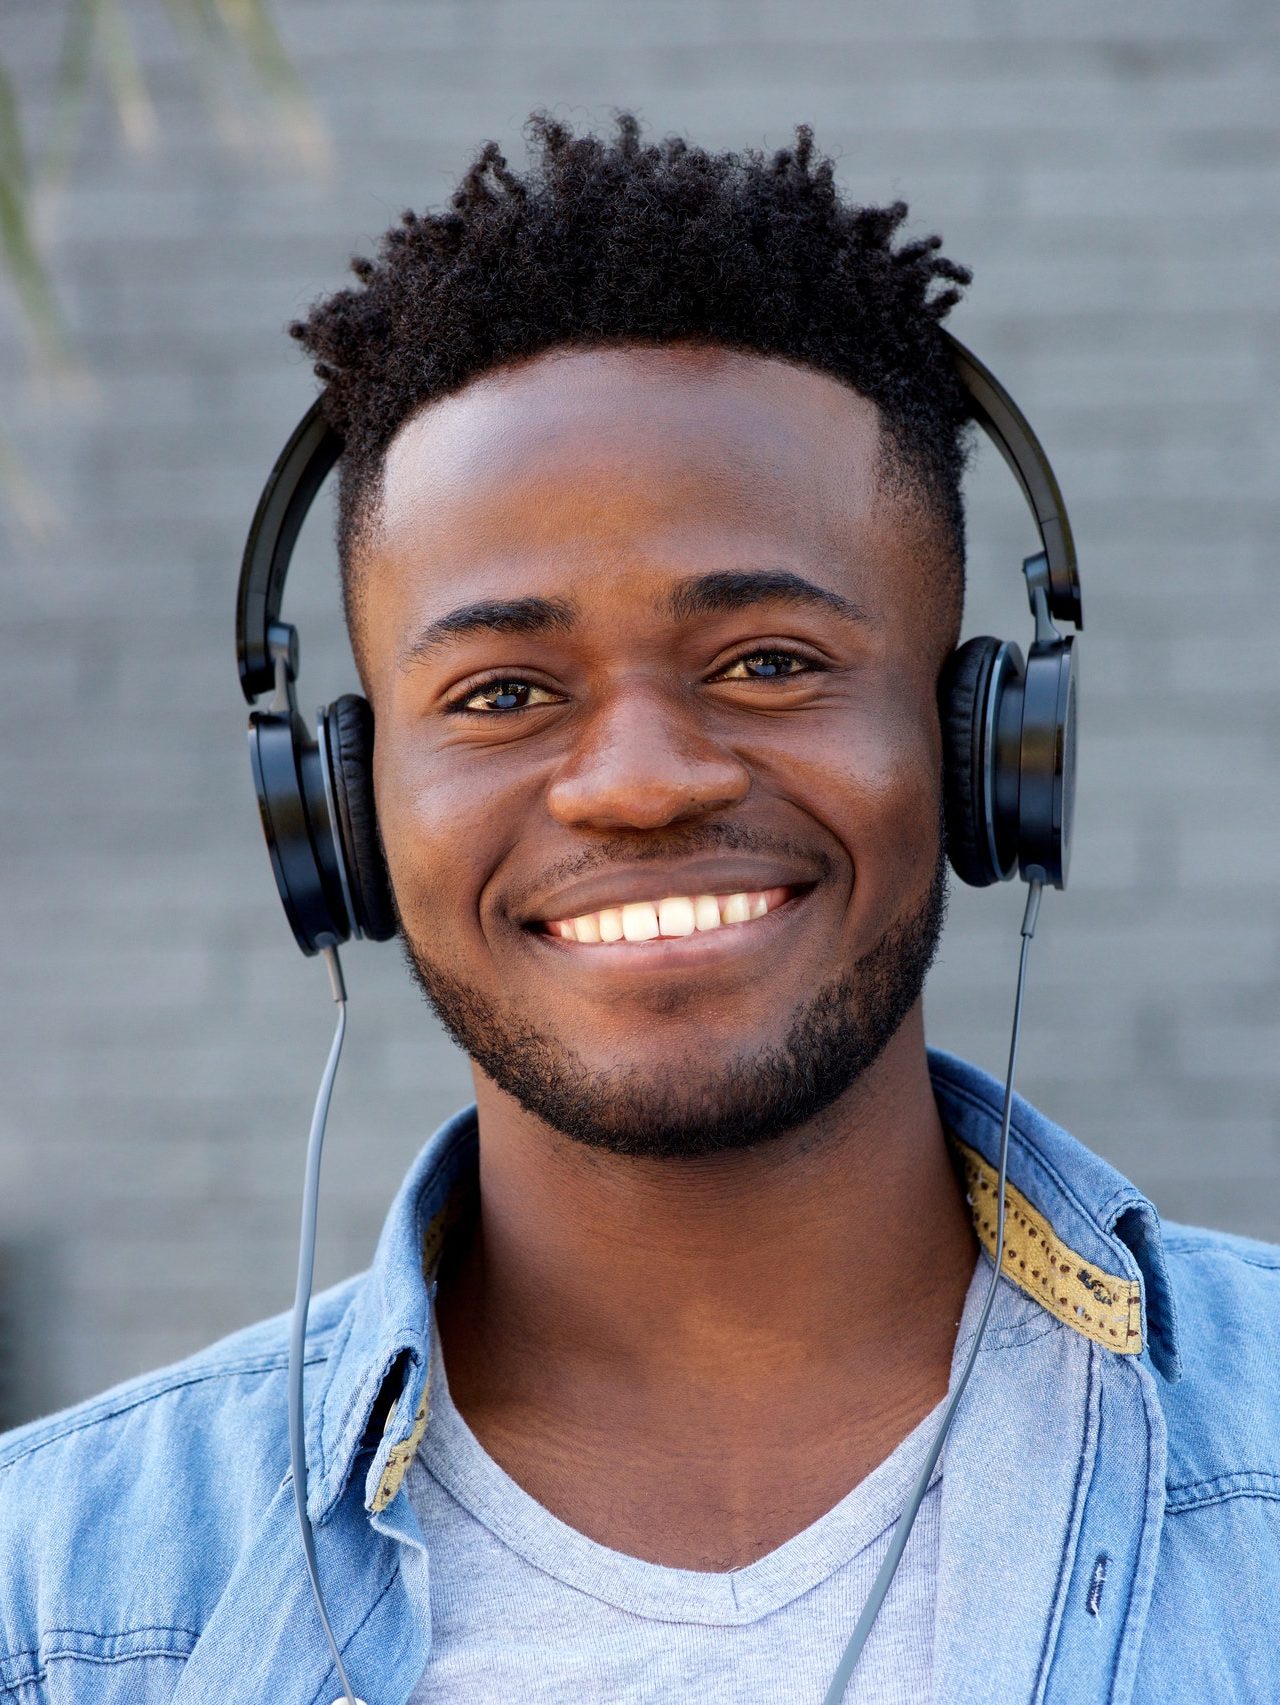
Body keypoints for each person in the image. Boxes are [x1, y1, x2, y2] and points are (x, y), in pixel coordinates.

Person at [1, 116, 1276, 1705]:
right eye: (505, 690)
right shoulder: (48, 1597)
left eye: (768, 662)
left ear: (985, 743)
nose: (640, 781)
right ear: (341, 812)